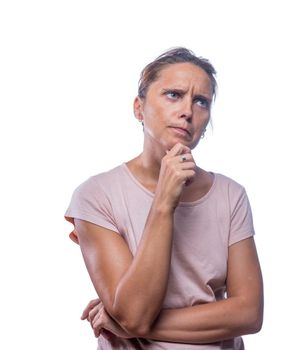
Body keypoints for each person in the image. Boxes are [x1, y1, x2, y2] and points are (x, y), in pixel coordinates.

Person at [64, 47, 263, 349]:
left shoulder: (230, 195)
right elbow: (135, 313)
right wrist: (163, 203)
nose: (188, 111)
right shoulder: (95, 196)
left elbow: (249, 314)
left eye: (201, 101)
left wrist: (124, 326)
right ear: (138, 108)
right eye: (173, 94)